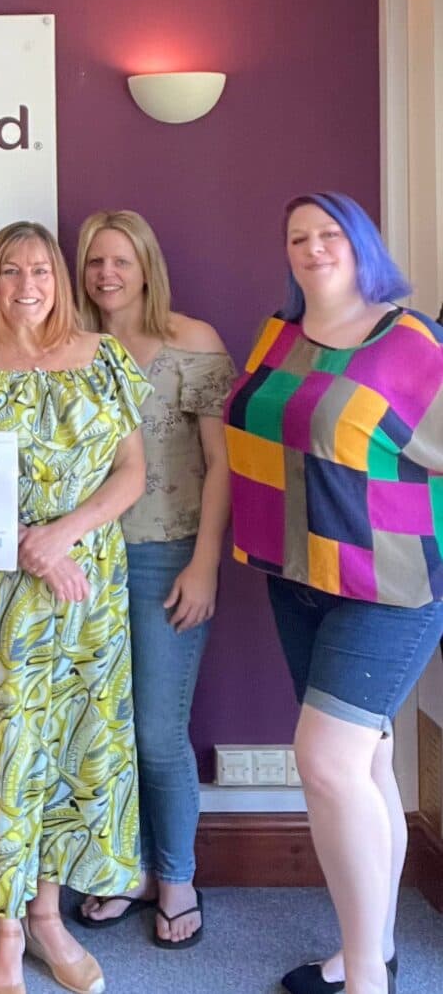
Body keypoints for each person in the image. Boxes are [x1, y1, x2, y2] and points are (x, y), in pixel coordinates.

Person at [0, 221, 152, 994]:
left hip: (87, 587)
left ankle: (48, 916)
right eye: (11, 271)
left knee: (73, 745)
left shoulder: (103, 357)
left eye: (41, 270)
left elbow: (132, 472)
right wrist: (27, 544)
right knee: (5, 751)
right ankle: (4, 933)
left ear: (60, 279)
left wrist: (63, 535)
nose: (27, 285)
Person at [224, 192, 442, 994]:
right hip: (299, 578)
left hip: (390, 587)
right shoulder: (277, 335)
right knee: (367, 762)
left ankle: (367, 984)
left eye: (330, 234)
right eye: (298, 237)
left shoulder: (411, 341)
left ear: (361, 246)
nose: (314, 248)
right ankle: (369, 949)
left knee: (324, 764)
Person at [73, 211, 236, 947]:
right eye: (95, 261)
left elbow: (222, 463)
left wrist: (205, 563)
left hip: (166, 557)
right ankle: (124, 870)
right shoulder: (72, 347)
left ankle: (176, 878)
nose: (107, 274)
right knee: (99, 729)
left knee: (157, 731)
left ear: (146, 266)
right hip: (85, 561)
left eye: (121, 260)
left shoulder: (192, 342)